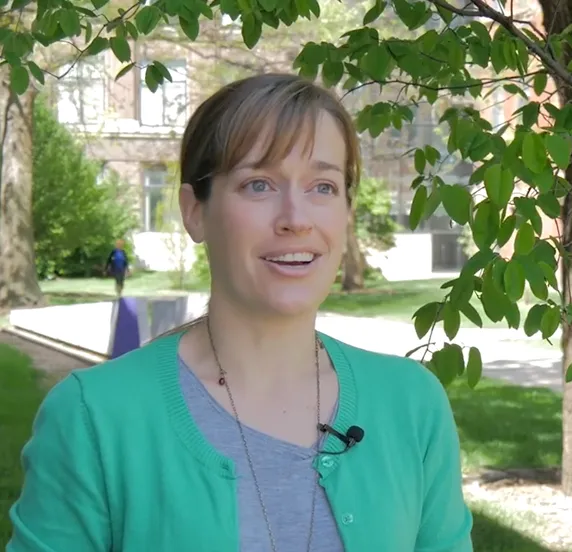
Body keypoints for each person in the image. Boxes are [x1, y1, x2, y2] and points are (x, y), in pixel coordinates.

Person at [6, 74, 474, 552]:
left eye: (323, 187)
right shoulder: (95, 418)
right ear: (195, 211)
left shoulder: (413, 405)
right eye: (259, 184)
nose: (296, 217)